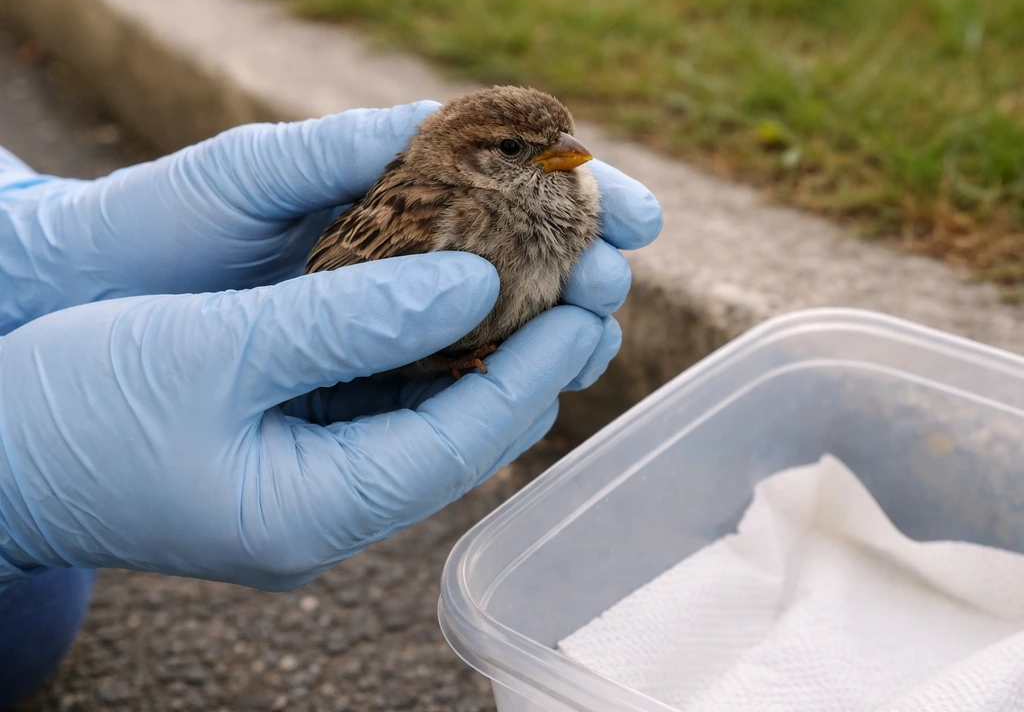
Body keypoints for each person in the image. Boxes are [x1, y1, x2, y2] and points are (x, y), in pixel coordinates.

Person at [0, 101, 662, 706]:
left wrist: (21, 229)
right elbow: (334, 285)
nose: (564, 155)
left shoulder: (574, 194)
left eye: (557, 142)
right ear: (467, 160)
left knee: (30, 633)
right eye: (518, 151)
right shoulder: (439, 202)